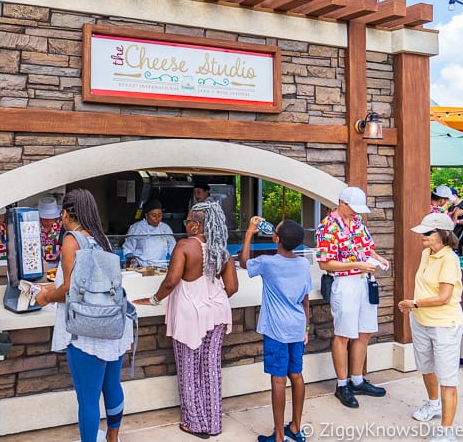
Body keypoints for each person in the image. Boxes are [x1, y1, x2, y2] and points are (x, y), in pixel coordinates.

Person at [134, 200, 238, 439]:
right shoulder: (221, 251)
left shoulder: (184, 246)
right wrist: (211, 295)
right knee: (211, 368)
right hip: (217, 312)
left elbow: (171, 281)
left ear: (196, 225)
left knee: (189, 368)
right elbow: (231, 287)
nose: (185, 224)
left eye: (188, 220)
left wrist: (152, 300)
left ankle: (194, 423)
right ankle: (213, 423)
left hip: (190, 314)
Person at [35, 189, 133, 442]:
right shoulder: (102, 239)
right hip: (112, 323)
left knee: (87, 398)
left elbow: (69, 289)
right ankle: (112, 438)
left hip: (86, 329)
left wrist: (45, 297)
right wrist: (51, 287)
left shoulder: (72, 240)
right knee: (111, 386)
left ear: (66, 214)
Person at [315, 186, 390, 409]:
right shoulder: (327, 226)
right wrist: (356, 264)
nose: (357, 213)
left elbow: (367, 248)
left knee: (365, 331)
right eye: (353, 208)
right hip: (345, 283)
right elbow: (324, 263)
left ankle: (357, 380)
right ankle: (342, 384)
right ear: (342, 203)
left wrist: (379, 258)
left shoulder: (357, 222)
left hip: (364, 280)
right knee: (344, 333)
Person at [240, 217, 311, 442]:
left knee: (278, 380)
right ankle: (296, 428)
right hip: (298, 327)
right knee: (297, 376)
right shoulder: (303, 264)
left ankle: (279, 436)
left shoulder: (267, 263)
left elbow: (243, 262)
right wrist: (306, 328)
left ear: (276, 239)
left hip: (276, 330)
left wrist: (250, 232)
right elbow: (306, 300)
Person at [398, 213, 463, 442]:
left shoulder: (449, 259)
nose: (423, 237)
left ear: (444, 235)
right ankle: (434, 404)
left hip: (445, 325)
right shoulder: (427, 253)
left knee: (447, 378)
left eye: (428, 233)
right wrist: (415, 308)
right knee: (426, 367)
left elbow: (445, 296)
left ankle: (447, 431)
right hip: (421, 320)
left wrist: (413, 303)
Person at [122, 199, 176, 267]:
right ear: (146, 215)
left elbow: (173, 246)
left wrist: (175, 260)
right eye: (154, 215)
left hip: (162, 266)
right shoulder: (137, 228)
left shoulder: (165, 228)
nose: (157, 218)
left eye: (159, 215)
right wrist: (133, 260)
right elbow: (128, 248)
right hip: (142, 266)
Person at [38, 195, 63, 265]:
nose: (49, 222)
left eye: (51, 219)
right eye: (45, 219)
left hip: (56, 265)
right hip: (38, 264)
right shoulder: (34, 227)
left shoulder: (61, 226)